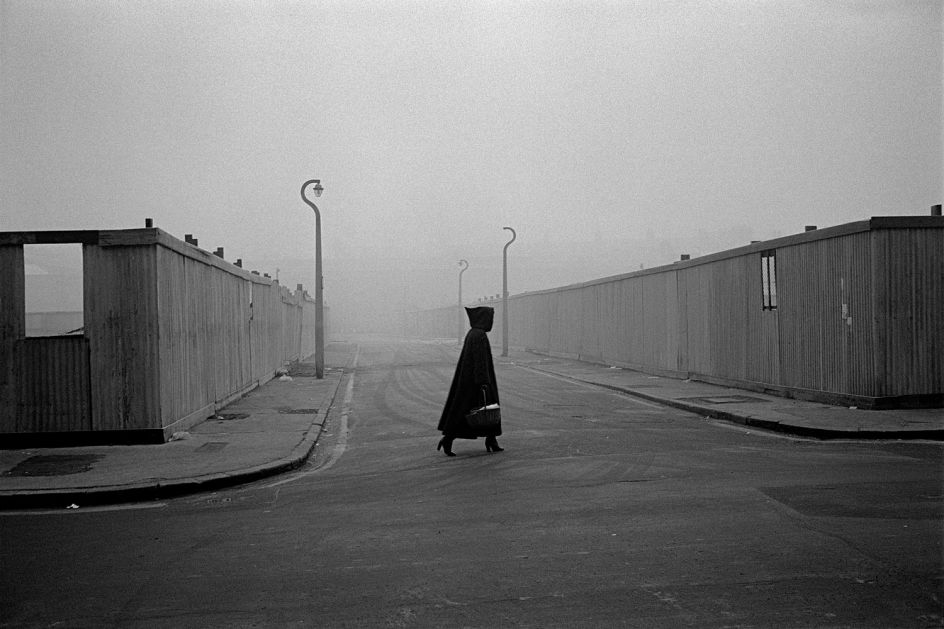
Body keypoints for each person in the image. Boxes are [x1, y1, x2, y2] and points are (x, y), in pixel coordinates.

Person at [437, 306, 503, 456]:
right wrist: (484, 382)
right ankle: (450, 438)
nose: (491, 322)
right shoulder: (479, 335)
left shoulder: (473, 333)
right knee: (488, 409)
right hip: (478, 381)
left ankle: (490, 440)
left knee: (468, 411)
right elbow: (479, 361)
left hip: (469, 381)